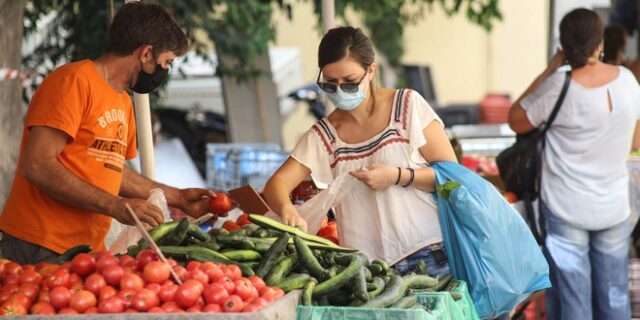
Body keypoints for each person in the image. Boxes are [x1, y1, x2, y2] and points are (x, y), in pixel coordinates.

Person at [0, 2, 216, 265]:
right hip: (38, 244)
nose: (166, 71)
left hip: (87, 251)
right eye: (167, 62)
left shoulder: (123, 100)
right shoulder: (73, 80)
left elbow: (113, 169)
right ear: (147, 53)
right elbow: (37, 165)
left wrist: (179, 198)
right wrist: (116, 205)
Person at [262, 27, 458, 278]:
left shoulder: (407, 106)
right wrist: (288, 210)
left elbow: (452, 179)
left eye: (351, 83)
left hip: (430, 257)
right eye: (330, 84)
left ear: (371, 71)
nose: (340, 91)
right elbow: (276, 184)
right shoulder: (325, 135)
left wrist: (397, 176)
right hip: (367, 271)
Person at [508, 8, 640, 320]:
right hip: (613, 206)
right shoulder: (627, 81)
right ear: (600, 44)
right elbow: (635, 140)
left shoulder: (557, 87)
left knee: (573, 304)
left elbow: (516, 118)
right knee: (614, 299)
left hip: (567, 209)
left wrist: (551, 68)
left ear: (564, 47)